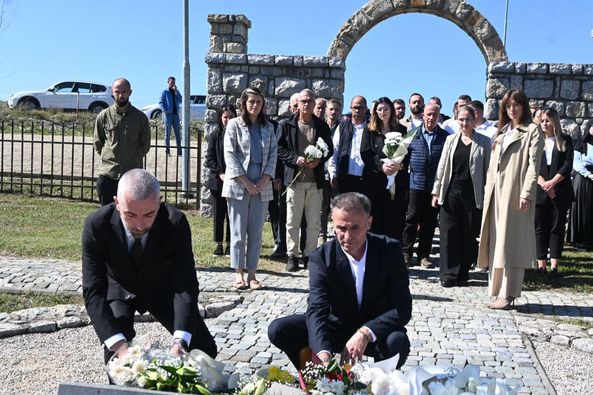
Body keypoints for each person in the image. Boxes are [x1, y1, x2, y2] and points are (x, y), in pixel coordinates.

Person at [82, 169, 217, 368]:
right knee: (116, 358)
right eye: (130, 214)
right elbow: (93, 291)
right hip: (119, 285)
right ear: (117, 203)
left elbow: (185, 283)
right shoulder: (96, 225)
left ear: (159, 202)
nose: (139, 224)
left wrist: (180, 341)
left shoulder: (175, 222)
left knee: (203, 348)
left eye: (149, 214)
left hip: (161, 286)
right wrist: (119, 347)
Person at [268, 192, 412, 369]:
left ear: (369, 223)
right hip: (336, 327)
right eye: (341, 228)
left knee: (398, 341)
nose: (348, 236)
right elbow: (317, 307)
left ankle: (381, 383)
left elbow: (402, 308)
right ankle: (316, 376)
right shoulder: (321, 257)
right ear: (333, 225)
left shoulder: (389, 250)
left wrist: (365, 333)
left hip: (375, 331)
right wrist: (321, 352)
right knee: (279, 329)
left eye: (355, 228)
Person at [477, 89, 544, 310]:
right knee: (497, 241)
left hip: (515, 193)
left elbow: (534, 166)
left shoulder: (532, 131)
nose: (512, 109)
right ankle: (496, 291)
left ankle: (509, 293)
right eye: (508, 106)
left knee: (512, 243)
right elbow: (492, 167)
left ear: (523, 106)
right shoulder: (502, 132)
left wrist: (526, 193)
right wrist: (487, 190)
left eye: (516, 104)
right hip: (496, 193)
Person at [222, 87, 277, 290]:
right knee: (238, 231)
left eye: (258, 102)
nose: (255, 105)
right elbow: (230, 154)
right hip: (239, 183)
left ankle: (252, 273)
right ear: (244, 103)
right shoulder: (234, 125)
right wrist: (246, 182)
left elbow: (273, 155)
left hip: (261, 183)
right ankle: (238, 273)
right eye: (251, 101)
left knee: (255, 231)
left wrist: (263, 180)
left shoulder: (269, 128)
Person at [431, 105, 491, 287]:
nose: (464, 123)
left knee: (468, 234)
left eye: (468, 119)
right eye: (461, 119)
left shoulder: (484, 142)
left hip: (472, 195)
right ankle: (448, 274)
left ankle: (463, 273)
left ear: (475, 120)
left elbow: (488, 170)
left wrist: (488, 195)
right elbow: (442, 167)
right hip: (451, 192)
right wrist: (436, 191)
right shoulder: (450, 140)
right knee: (448, 234)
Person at [278, 89, 333, 272]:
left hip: (315, 182)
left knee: (313, 222)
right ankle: (292, 255)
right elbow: (278, 149)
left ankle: (309, 254)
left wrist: (320, 160)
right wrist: (295, 159)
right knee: (292, 221)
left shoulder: (321, 126)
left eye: (310, 101)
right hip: (295, 181)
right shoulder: (287, 125)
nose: (306, 104)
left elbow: (329, 149)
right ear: (298, 103)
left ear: (314, 103)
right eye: (303, 101)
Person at [328, 96, 389, 235]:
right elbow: (334, 151)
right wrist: (333, 173)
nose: (357, 110)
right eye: (355, 107)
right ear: (350, 108)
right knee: (346, 213)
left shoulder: (372, 128)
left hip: (367, 179)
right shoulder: (342, 126)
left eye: (361, 107)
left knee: (365, 213)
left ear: (366, 109)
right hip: (346, 178)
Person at [402, 103, 448, 268]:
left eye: (434, 114)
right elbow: (400, 157)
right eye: (428, 114)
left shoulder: (445, 136)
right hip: (415, 183)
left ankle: (424, 255)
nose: (431, 117)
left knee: (429, 221)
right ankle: (406, 252)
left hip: (434, 186)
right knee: (411, 219)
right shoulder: (412, 134)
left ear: (439, 116)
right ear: (423, 115)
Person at [94, 78, 150, 206]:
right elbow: (98, 143)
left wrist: (132, 158)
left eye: (124, 91)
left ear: (130, 92)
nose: (121, 95)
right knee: (106, 215)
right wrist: (109, 157)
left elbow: (145, 145)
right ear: (112, 93)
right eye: (117, 91)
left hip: (132, 176)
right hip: (108, 174)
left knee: (131, 214)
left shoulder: (140, 118)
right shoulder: (103, 116)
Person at [534, 108, 574, 276]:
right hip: (540, 189)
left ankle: (554, 266)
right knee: (540, 228)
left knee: (556, 228)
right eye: (542, 120)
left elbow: (567, 165)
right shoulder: (536, 141)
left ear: (554, 122)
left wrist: (552, 184)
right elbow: (531, 165)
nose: (545, 123)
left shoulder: (565, 140)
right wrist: (544, 185)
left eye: (548, 120)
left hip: (560, 189)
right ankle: (541, 265)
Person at [367, 97, 408, 239]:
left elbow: (408, 154)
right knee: (376, 221)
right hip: (376, 183)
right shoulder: (370, 131)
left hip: (396, 183)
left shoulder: (402, 130)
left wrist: (399, 165)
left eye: (386, 109)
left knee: (394, 220)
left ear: (391, 110)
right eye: (379, 109)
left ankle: (392, 256)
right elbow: (366, 154)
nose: (383, 112)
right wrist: (381, 166)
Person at [206, 105, 237, 256]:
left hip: (234, 180)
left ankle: (230, 244)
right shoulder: (214, 136)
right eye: (225, 117)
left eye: (231, 116)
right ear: (220, 118)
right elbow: (209, 159)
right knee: (218, 213)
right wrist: (220, 173)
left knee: (232, 213)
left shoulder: (239, 136)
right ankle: (218, 244)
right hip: (218, 182)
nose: (228, 119)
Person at [568, 125, 593, 250]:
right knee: (582, 209)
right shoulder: (581, 144)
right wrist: (588, 174)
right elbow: (576, 163)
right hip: (583, 181)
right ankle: (580, 240)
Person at [159, 76, 183, 156]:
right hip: (168, 115)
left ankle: (179, 152)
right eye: (171, 82)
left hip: (176, 115)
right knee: (167, 134)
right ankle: (167, 151)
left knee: (178, 134)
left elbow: (181, 99)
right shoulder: (165, 92)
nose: (173, 84)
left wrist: (176, 91)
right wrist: (165, 111)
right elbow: (161, 102)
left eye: (174, 82)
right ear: (168, 82)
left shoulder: (176, 91)